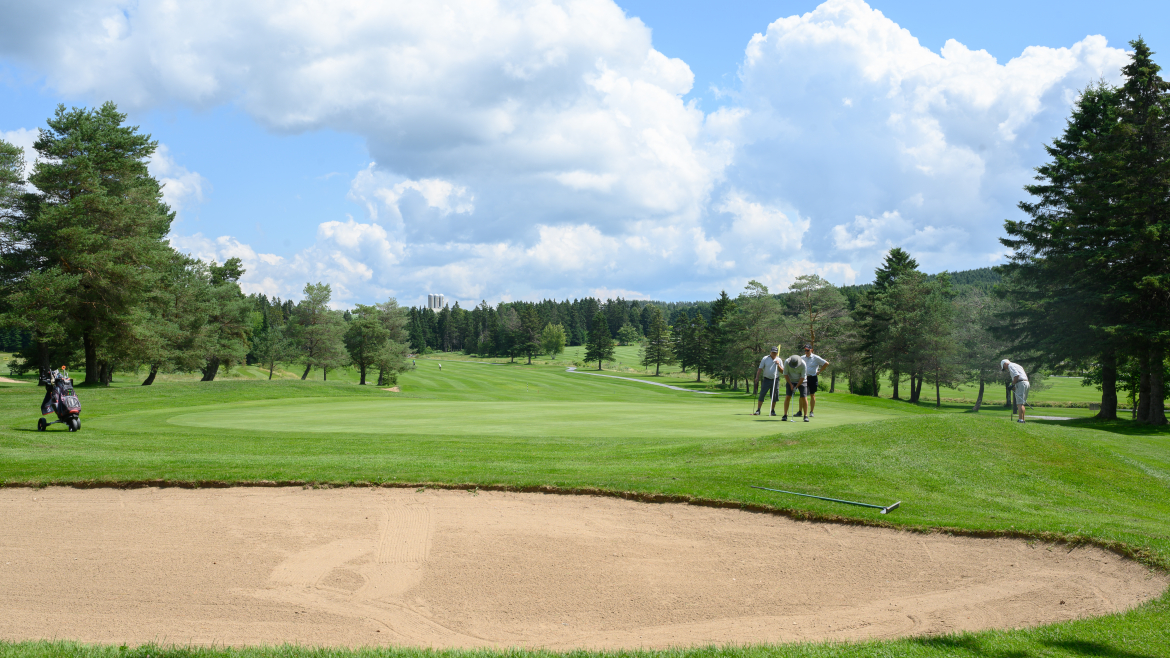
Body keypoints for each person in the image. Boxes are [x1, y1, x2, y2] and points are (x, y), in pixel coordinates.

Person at [794, 344, 828, 418]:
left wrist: (819, 371)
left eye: (808, 350)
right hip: (804, 378)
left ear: (811, 350)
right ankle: (800, 411)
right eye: (805, 350)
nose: (806, 352)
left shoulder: (816, 358)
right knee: (802, 395)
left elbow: (826, 363)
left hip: (812, 378)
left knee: (812, 394)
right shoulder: (802, 357)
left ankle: (811, 412)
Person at [753, 346, 782, 416]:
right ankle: (758, 410)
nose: (774, 354)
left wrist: (778, 365)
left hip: (775, 379)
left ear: (777, 353)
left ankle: (772, 411)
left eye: (775, 353)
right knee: (762, 394)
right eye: (773, 352)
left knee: (774, 396)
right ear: (770, 352)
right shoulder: (765, 358)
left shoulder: (779, 360)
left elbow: (782, 371)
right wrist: (757, 377)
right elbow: (760, 368)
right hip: (766, 379)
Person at [781, 354, 809, 422]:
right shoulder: (787, 362)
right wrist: (790, 384)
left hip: (802, 381)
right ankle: (785, 415)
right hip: (790, 380)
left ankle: (805, 416)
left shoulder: (803, 364)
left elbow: (802, 377)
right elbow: (785, 374)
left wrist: (796, 386)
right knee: (788, 397)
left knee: (804, 397)